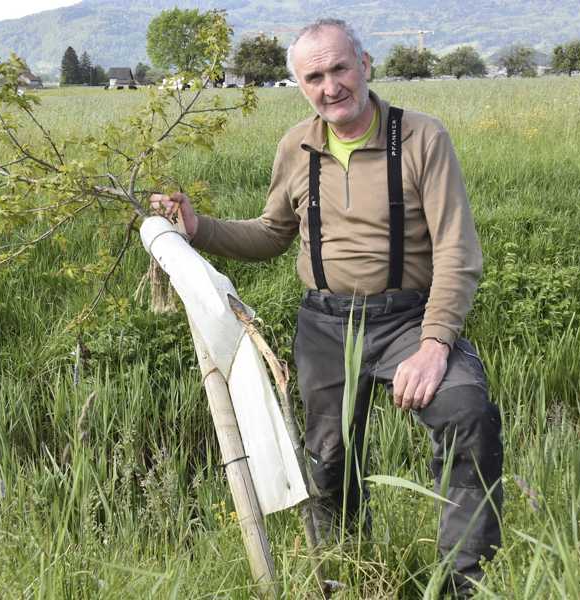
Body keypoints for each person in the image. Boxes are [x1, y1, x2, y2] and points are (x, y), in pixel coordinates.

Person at [151, 18, 502, 596]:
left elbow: (457, 252)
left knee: (466, 413)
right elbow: (270, 233)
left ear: (365, 65)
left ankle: (467, 583)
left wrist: (436, 346)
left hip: (409, 320)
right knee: (327, 460)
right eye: (313, 76)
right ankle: (344, 576)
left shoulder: (421, 137)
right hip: (325, 326)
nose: (330, 85)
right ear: (300, 83)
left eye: (340, 68)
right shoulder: (297, 144)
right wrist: (198, 227)